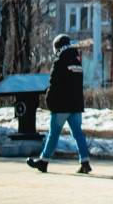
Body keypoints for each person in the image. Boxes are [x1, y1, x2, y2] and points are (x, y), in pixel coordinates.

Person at [26, 34, 92, 174]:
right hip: (76, 105)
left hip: (61, 106)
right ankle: (85, 162)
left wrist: (49, 101)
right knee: (78, 134)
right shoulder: (77, 61)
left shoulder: (60, 61)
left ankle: (43, 162)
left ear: (58, 47)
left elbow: (53, 84)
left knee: (53, 134)